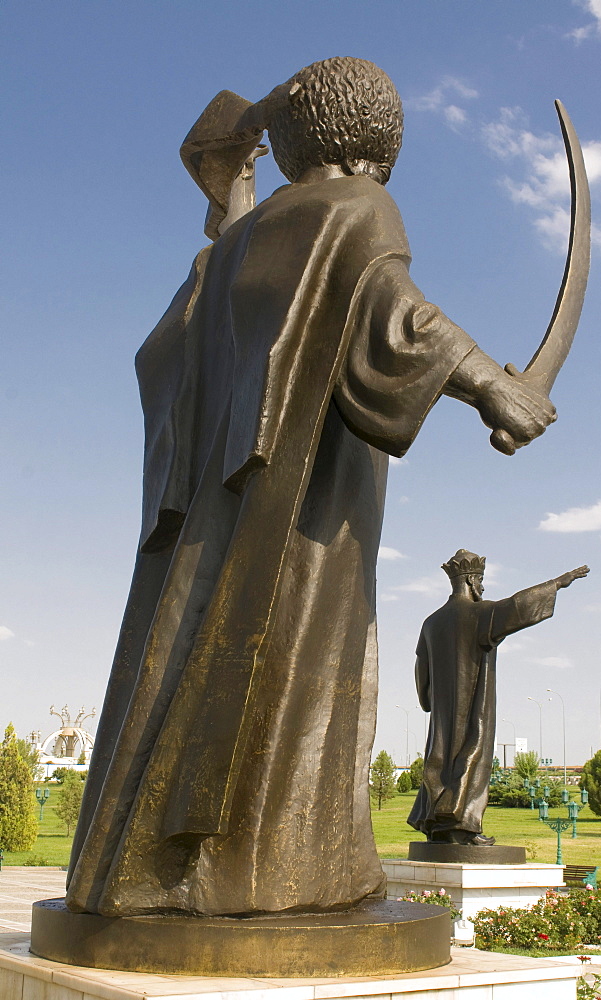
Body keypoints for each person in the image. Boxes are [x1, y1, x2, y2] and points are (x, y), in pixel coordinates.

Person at [66, 57, 556, 918]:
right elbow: (391, 306)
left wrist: (241, 176)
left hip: (221, 512)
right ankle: (285, 873)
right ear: (374, 142)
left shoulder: (229, 248)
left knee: (203, 658)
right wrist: (491, 384)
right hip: (307, 501)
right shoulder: (354, 206)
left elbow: (173, 355)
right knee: (301, 662)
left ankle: (158, 869)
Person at [408, 550, 589, 845]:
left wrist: (427, 700)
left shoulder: (431, 622)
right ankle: (463, 825)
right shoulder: (480, 613)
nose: (482, 587)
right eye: (480, 580)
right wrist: (557, 583)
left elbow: (420, 666)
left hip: (442, 711)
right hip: (474, 704)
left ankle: (438, 825)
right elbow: (517, 606)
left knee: (439, 757)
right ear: (470, 580)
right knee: (473, 751)